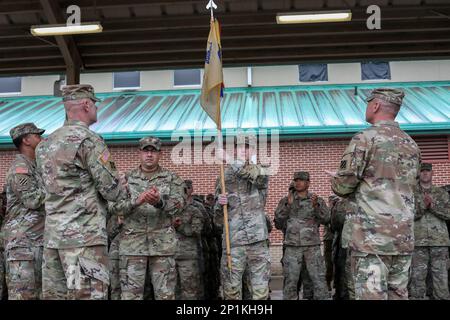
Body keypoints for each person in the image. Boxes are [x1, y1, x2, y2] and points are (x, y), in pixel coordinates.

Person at [36, 84, 127, 300]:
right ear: (86, 104)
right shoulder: (88, 140)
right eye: (94, 103)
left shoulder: (45, 145)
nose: (96, 108)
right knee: (87, 296)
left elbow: (45, 190)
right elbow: (112, 191)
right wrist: (121, 182)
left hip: (53, 240)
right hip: (84, 239)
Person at [330, 88, 421, 300]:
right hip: (402, 237)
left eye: (367, 103)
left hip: (372, 239)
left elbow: (343, 187)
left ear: (376, 105)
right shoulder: (411, 144)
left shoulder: (365, 139)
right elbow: (413, 188)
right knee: (398, 294)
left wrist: (336, 178)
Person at [109, 136, 185, 300]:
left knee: (165, 296)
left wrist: (160, 202)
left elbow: (180, 205)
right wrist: (136, 201)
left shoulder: (172, 178)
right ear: (139, 153)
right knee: (130, 296)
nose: (149, 155)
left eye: (153, 151)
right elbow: (113, 207)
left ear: (160, 154)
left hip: (163, 247)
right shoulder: (126, 179)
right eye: (146, 151)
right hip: (132, 247)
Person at [215, 137, 270, 300]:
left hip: (257, 241)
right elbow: (217, 220)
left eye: (247, 148)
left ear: (252, 151)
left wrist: (229, 160)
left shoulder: (261, 170)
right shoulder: (224, 176)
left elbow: (254, 178)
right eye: (240, 148)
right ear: (235, 150)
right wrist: (219, 204)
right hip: (234, 242)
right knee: (231, 291)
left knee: (259, 292)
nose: (243, 151)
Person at [3, 123, 46, 299]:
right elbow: (32, 200)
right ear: (26, 140)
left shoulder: (36, 166)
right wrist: (59, 188)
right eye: (37, 136)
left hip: (37, 241)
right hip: (22, 244)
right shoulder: (20, 168)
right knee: (23, 295)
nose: (41, 139)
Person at [274, 171, 330, 300]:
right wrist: (287, 205)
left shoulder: (316, 200)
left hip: (312, 247)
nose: (298, 182)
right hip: (292, 247)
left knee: (318, 280)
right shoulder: (286, 200)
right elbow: (278, 223)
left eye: (301, 180)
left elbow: (326, 219)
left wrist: (316, 206)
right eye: (296, 180)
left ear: (308, 183)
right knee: (291, 281)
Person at [409, 163, 450, 300]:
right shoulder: (411, 193)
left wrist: (432, 206)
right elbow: (407, 215)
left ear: (432, 173)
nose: (425, 173)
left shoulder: (441, 193)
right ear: (418, 174)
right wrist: (422, 207)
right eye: (422, 171)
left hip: (439, 241)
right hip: (418, 241)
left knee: (441, 277)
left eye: (428, 171)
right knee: (417, 277)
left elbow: (448, 214)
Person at [174, 181, 204, 300]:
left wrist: (179, 226)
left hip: (187, 257)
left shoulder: (194, 211)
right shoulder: (168, 212)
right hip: (169, 255)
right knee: (169, 292)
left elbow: (196, 230)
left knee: (189, 292)